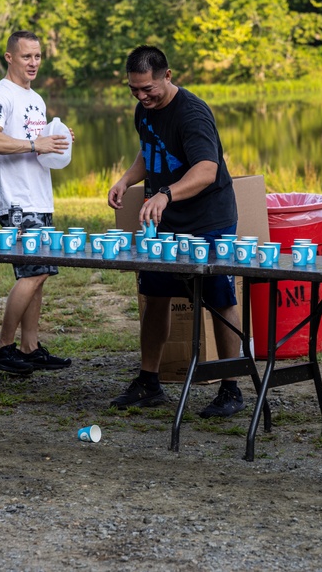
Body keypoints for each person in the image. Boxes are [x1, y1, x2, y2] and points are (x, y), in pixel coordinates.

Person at [107, 45, 245, 418]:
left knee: (220, 296)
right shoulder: (144, 109)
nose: (141, 96)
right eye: (134, 90)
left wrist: (165, 194)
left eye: (148, 88)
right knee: (156, 295)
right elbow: (149, 150)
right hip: (165, 220)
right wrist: (126, 179)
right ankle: (149, 382)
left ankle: (231, 387)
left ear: (168, 76)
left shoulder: (192, 113)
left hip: (208, 219)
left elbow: (206, 170)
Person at [0, 30, 72, 374]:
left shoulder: (34, 97)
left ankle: (30, 348)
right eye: (26, 56)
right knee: (32, 272)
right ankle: (3, 348)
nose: (33, 63)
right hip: (16, 200)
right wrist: (35, 145)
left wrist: (53, 135)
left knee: (41, 272)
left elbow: (34, 138)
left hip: (39, 196)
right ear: (9, 57)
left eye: (37, 56)